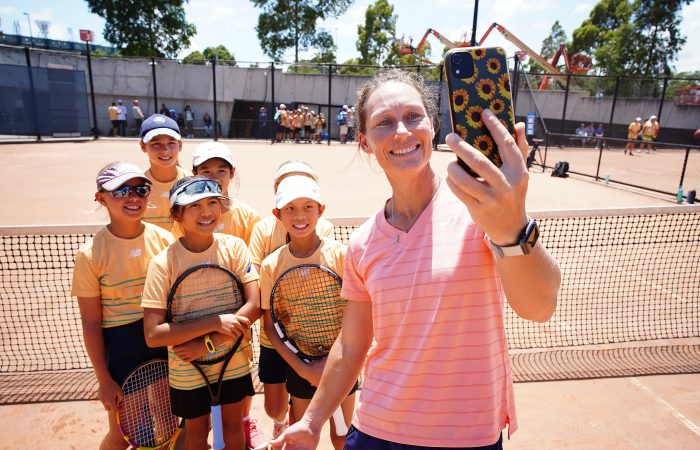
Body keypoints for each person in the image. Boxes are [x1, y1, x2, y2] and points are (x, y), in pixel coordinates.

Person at [272, 69, 560, 449]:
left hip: (467, 436)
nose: (402, 131)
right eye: (384, 122)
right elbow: (352, 345)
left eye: (413, 116)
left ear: (433, 127)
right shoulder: (362, 243)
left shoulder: (482, 209)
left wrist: (512, 226)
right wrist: (312, 422)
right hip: (375, 431)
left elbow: (539, 307)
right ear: (364, 142)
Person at [141, 175, 262, 450]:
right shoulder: (162, 264)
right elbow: (153, 334)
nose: (206, 212)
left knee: (234, 427)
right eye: (194, 205)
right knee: (196, 432)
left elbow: (255, 305)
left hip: (233, 360)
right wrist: (214, 322)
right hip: (187, 367)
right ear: (177, 215)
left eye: (212, 203)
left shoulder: (235, 247)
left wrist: (208, 343)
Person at [170, 141, 266, 449]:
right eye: (206, 171)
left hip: (237, 321)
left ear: (231, 173)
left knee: (238, 394)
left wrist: (219, 334)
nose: (214, 176)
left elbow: (252, 283)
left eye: (221, 170)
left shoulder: (247, 217)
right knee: (198, 421)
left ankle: (245, 419)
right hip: (195, 317)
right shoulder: (185, 219)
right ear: (194, 173)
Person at [72, 161, 174, 450]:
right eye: (121, 191)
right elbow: (91, 322)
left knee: (167, 422)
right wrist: (104, 379)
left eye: (141, 190)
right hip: (121, 347)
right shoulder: (90, 255)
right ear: (101, 198)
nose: (133, 197)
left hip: (162, 336)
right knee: (123, 433)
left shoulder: (164, 240)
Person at [260, 175, 356, 450]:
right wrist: (304, 368)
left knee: (343, 437)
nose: (299, 215)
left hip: (342, 365)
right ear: (277, 214)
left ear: (321, 210)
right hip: (301, 367)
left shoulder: (342, 255)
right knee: (302, 439)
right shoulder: (271, 265)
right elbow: (271, 326)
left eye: (308, 207)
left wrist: (336, 361)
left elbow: (357, 315)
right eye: (290, 208)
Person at [248, 161, 336, 442]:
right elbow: (258, 277)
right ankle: (281, 421)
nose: (300, 213)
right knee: (274, 408)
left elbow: (322, 279)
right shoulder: (263, 230)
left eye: (307, 204)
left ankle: (291, 427)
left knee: (305, 412)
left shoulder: (326, 230)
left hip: (310, 336)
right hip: (273, 336)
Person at [139, 114, 189, 231]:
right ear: (143, 146)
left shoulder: (193, 184)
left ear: (180, 145)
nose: (165, 150)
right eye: (156, 144)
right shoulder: (136, 187)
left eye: (171, 143)